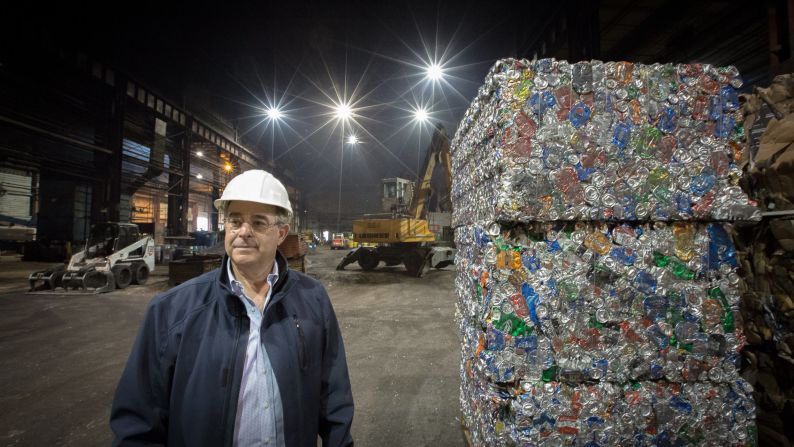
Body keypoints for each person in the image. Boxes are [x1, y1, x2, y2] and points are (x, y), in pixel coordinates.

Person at [110, 169, 354, 447]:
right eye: (235, 221)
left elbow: (334, 397)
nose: (244, 232)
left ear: (281, 233)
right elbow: (138, 422)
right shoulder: (171, 310)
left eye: (259, 223)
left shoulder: (313, 298)